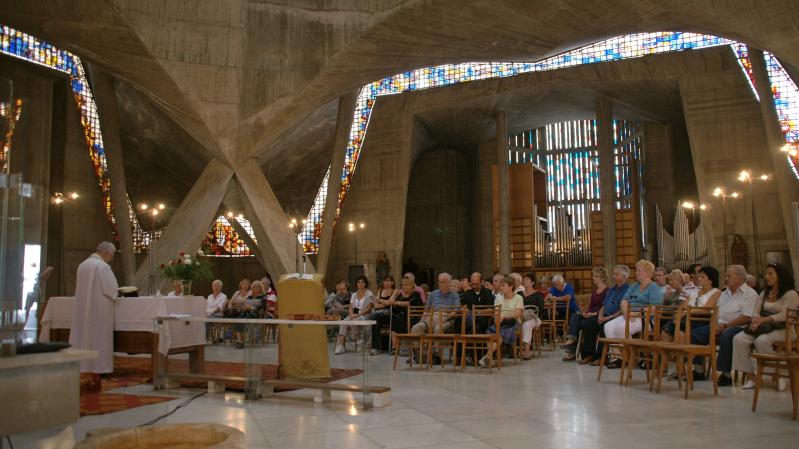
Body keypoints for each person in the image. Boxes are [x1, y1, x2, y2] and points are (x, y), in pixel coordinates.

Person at [732, 263, 799, 389]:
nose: (767, 277)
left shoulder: (791, 294)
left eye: (770, 273)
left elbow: (785, 315)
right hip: (763, 327)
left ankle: (776, 375)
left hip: (784, 329)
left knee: (762, 340)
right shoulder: (764, 293)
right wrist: (755, 321)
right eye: (766, 274)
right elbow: (755, 312)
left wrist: (765, 319)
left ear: (780, 276)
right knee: (738, 339)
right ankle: (751, 377)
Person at [69, 242, 119, 375]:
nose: (111, 258)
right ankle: (100, 367)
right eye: (111, 255)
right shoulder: (102, 266)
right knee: (99, 336)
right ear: (105, 252)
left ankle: (81, 365)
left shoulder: (83, 265)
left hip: (83, 307)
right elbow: (112, 289)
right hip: (99, 308)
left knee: (83, 334)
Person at [602, 260, 663, 368]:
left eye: (639, 271)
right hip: (629, 315)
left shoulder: (654, 287)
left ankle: (631, 357)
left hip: (647, 319)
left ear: (648, 273)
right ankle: (618, 357)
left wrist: (637, 313)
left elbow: (655, 308)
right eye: (636, 270)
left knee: (621, 328)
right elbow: (624, 301)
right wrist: (626, 314)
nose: (636, 273)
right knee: (608, 326)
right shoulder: (634, 285)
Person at [710, 265, 758, 386]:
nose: (726, 278)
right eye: (726, 276)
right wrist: (716, 325)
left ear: (740, 277)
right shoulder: (724, 293)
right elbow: (716, 311)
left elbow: (746, 317)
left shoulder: (750, 294)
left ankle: (725, 374)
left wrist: (725, 326)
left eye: (729, 276)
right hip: (721, 325)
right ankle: (698, 369)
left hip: (740, 327)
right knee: (696, 332)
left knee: (727, 335)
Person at [582, 265, 630, 365]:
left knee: (604, 325)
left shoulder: (628, 289)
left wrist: (608, 317)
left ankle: (601, 357)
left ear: (624, 276)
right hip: (604, 315)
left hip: (615, 316)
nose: (613, 276)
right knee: (588, 323)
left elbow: (623, 309)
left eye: (616, 274)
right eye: (613, 274)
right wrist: (600, 316)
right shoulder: (612, 289)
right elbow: (603, 305)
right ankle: (588, 354)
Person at [409, 273, 460, 364]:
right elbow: (426, 309)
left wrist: (446, 317)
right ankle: (420, 354)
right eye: (439, 282)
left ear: (449, 283)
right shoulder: (433, 294)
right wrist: (422, 320)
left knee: (438, 328)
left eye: (443, 282)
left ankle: (437, 355)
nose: (440, 284)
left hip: (446, 318)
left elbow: (456, 310)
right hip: (431, 317)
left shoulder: (454, 295)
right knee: (416, 328)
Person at [561, 267, 609, 361]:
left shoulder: (608, 291)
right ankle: (571, 340)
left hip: (598, 315)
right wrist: (585, 313)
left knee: (584, 323)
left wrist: (594, 314)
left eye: (596, 276)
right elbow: (589, 306)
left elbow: (606, 307)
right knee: (575, 315)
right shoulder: (594, 292)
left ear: (603, 278)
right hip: (590, 314)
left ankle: (578, 352)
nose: (593, 278)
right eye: (593, 276)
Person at [479, 276, 523, 368]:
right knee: (491, 335)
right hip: (500, 322)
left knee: (499, 335)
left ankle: (487, 357)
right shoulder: (498, 298)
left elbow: (517, 314)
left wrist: (505, 316)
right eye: (501, 285)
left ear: (511, 286)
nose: (501, 287)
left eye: (503, 285)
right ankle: (489, 359)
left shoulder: (518, 298)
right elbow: (496, 313)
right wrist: (497, 319)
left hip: (513, 322)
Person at [334, 276, 374, 354]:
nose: (360, 284)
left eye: (362, 282)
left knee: (354, 320)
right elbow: (351, 307)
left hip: (364, 315)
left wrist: (357, 315)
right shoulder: (354, 294)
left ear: (365, 284)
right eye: (358, 282)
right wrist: (351, 314)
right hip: (355, 314)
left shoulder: (369, 293)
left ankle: (359, 340)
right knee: (344, 322)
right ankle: (340, 346)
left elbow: (368, 308)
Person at [387, 276, 424, 350]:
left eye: (406, 284)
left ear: (411, 285)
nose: (404, 287)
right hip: (400, 317)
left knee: (399, 321)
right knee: (394, 320)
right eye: (403, 285)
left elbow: (409, 303)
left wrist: (397, 303)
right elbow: (390, 302)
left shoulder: (416, 294)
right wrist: (395, 294)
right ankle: (395, 347)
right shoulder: (400, 295)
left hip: (412, 319)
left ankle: (404, 347)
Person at [369, 275, 396, 355]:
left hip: (391, 314)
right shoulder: (380, 292)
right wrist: (385, 303)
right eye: (385, 280)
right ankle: (375, 348)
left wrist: (380, 300)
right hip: (380, 314)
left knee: (375, 317)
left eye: (388, 280)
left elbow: (391, 302)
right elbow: (376, 306)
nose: (386, 282)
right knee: (375, 320)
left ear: (392, 282)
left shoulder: (395, 291)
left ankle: (376, 347)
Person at [520, 272, 544, 360]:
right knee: (521, 324)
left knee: (527, 325)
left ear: (532, 282)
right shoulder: (519, 294)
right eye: (524, 279)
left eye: (527, 279)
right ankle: (514, 349)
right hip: (521, 317)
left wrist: (535, 321)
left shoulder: (538, 294)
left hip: (535, 318)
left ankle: (526, 350)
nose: (524, 281)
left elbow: (541, 309)